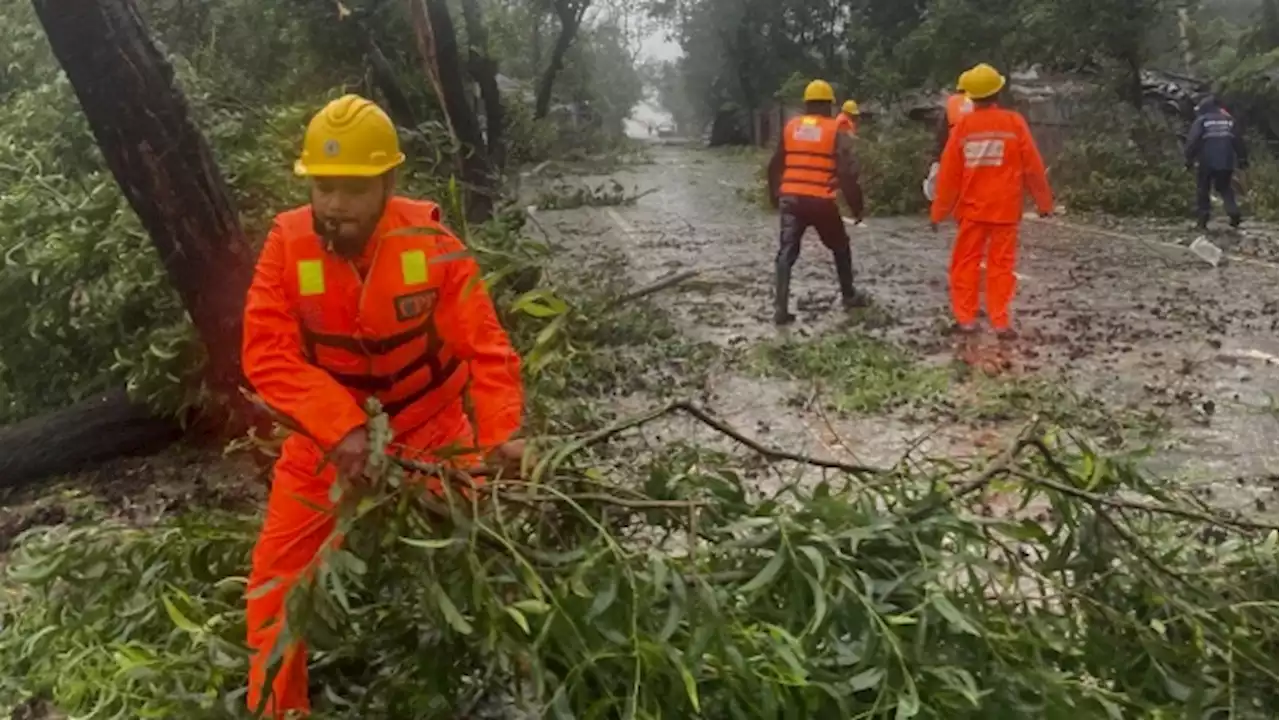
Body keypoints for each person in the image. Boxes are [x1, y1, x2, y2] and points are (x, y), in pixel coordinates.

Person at [241, 94, 526, 717]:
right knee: (274, 588)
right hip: (325, 441)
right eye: (323, 186)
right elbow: (266, 353)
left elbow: (484, 345)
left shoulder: (431, 244)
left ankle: (496, 684)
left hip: (430, 429)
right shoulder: (287, 246)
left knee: (481, 559)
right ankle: (279, 710)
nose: (335, 205)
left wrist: (503, 431)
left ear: (387, 183)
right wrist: (339, 429)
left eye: (353, 188)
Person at [929, 63, 1054, 340]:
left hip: (972, 211)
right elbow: (1033, 167)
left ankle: (966, 319)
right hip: (1005, 211)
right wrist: (1045, 204)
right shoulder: (1014, 122)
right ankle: (1000, 322)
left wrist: (938, 212)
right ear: (999, 90)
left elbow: (949, 176)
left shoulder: (962, 127)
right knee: (1001, 267)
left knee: (965, 264)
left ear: (970, 96)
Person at [766, 79, 868, 326]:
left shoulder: (791, 127)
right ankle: (849, 295)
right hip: (821, 201)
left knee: (786, 253)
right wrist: (857, 208)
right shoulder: (835, 132)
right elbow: (847, 175)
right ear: (830, 106)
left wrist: (773, 195)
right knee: (840, 246)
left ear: (806, 104)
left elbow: (774, 166)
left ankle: (780, 308)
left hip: (791, 200)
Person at [1184, 94, 1248, 230]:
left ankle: (1203, 219)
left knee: (1203, 189)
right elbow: (1238, 141)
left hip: (1206, 161)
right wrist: (1242, 159)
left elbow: (1192, 142)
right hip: (1226, 161)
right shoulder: (1229, 121)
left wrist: (1188, 159)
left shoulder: (1202, 121)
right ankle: (1233, 212)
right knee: (1225, 187)